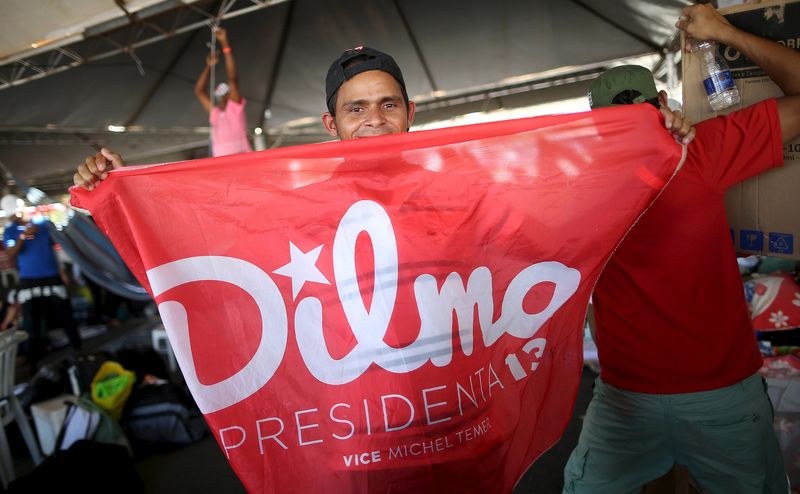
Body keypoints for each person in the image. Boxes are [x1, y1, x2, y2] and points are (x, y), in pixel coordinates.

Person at [563, 4, 800, 493]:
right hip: (644, 399)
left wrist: (723, 32)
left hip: (684, 396)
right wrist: (721, 32)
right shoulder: (587, 187)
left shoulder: (695, 151)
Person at [74, 45, 691, 185]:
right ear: (331, 124)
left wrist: (654, 137)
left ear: (410, 112)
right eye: (356, 108)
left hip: (454, 409)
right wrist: (118, 190)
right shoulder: (296, 202)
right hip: (359, 422)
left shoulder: (457, 183)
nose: (374, 118)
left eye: (388, 104)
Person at [2, 195, 81, 364]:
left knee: (65, 315)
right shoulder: (11, 231)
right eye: (12, 214)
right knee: (32, 324)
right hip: (29, 280)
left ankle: (78, 351)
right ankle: (34, 362)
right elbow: (10, 255)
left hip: (51, 276)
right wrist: (23, 237)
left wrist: (61, 271)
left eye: (17, 213)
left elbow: (54, 248)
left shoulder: (43, 225)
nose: (16, 216)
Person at [195, 27, 252, 157]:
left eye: (226, 94)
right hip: (221, 163)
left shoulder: (235, 107)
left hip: (242, 158)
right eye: (220, 95)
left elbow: (232, 78)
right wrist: (208, 66)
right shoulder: (215, 113)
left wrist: (225, 44)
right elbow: (199, 91)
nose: (222, 98)